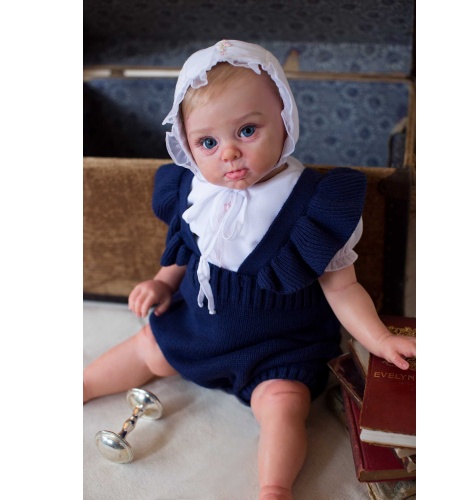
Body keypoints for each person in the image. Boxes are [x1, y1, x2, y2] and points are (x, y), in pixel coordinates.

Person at [84, 40, 416, 500]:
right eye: (207, 142)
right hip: (198, 327)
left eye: (247, 131)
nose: (229, 154)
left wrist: (378, 338)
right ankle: (82, 385)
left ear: (285, 120)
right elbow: (184, 248)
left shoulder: (310, 204)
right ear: (186, 144)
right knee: (147, 345)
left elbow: (342, 288)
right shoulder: (196, 192)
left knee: (284, 404)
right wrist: (162, 282)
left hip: (277, 347)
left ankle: (275, 487)